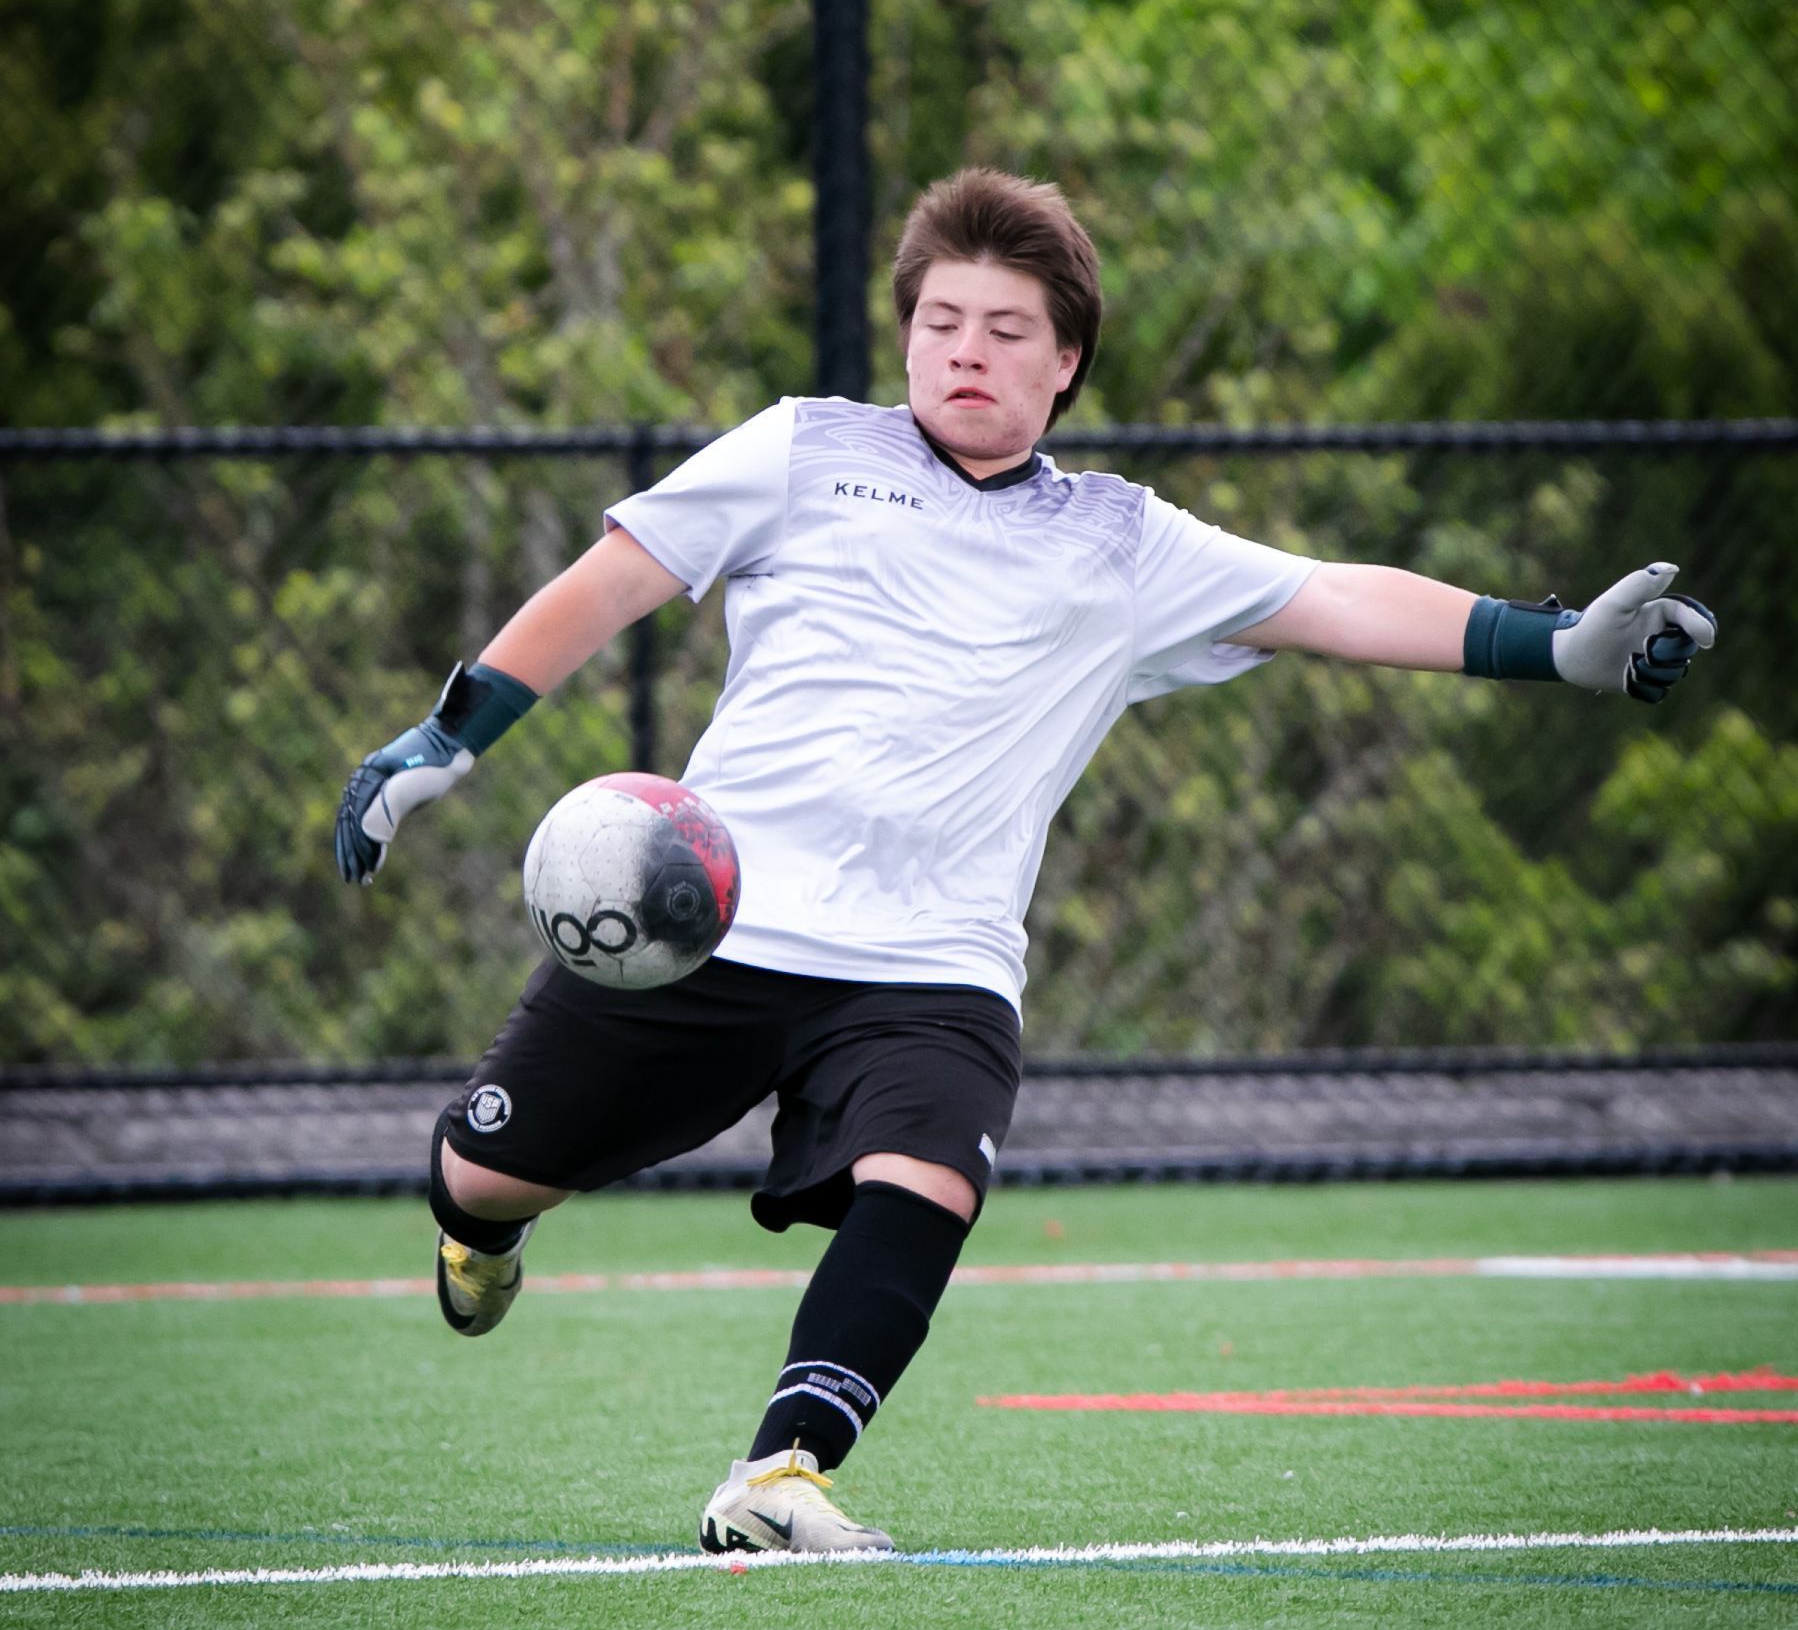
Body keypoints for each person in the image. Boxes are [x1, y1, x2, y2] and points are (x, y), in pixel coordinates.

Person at [335, 168, 1716, 1557]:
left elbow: (1339, 599)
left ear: (1065, 364)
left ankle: (781, 1477)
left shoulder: (1122, 540)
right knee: (484, 1173)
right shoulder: (803, 450)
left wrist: (1553, 643)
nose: (965, 351)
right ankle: (481, 1233)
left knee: (925, 1176)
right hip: (715, 924)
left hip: (933, 962)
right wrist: (444, 742)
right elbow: (609, 582)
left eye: (1005, 329)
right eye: (940, 321)